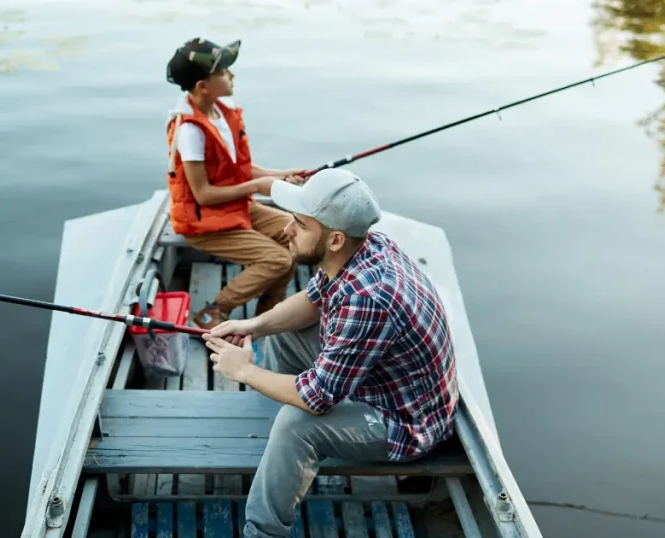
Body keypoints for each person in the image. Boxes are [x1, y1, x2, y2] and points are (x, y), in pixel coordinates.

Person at [201, 168, 460, 538]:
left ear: (335, 238)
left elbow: (316, 398)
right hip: (381, 384)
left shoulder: (366, 299)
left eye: (299, 224)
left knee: (297, 423)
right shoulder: (367, 245)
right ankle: (280, 456)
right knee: (280, 331)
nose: (287, 230)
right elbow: (312, 300)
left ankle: (262, 532)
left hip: (404, 423)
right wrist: (253, 326)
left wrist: (243, 371)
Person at [164, 37, 307, 329]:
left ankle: (269, 309)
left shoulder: (221, 111)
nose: (232, 75)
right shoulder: (190, 131)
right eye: (224, 72)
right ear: (203, 86)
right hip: (202, 221)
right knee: (278, 260)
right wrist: (257, 186)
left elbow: (238, 168)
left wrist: (279, 174)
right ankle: (212, 313)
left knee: (295, 233)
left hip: (234, 206)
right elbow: (203, 195)